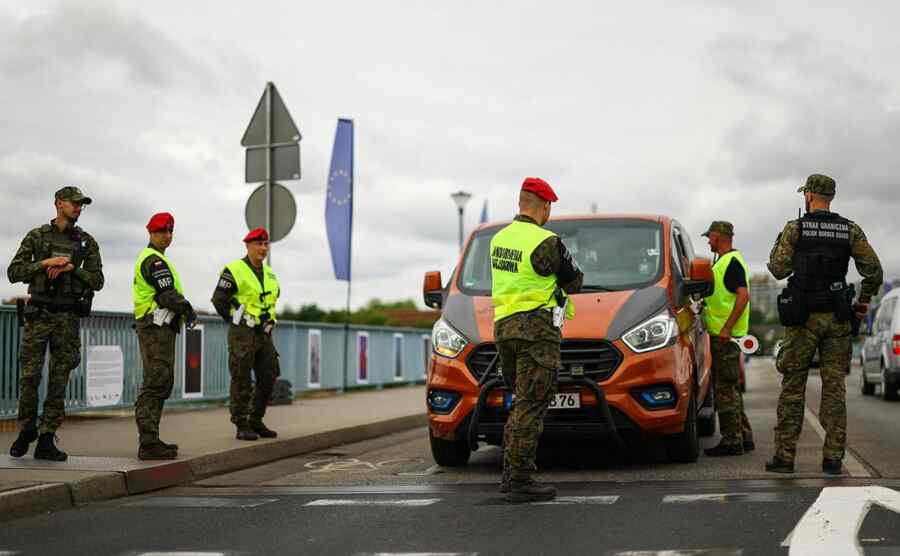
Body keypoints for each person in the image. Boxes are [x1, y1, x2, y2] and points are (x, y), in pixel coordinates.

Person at [766, 174, 882, 475]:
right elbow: (873, 271)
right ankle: (833, 459)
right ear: (831, 197)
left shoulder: (795, 228)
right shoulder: (849, 230)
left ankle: (785, 457)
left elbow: (778, 269)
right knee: (834, 389)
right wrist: (862, 302)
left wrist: (784, 242)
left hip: (802, 318)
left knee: (793, 386)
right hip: (837, 317)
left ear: (808, 196)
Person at [491, 177, 583, 503]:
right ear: (544, 206)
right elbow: (574, 280)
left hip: (504, 330)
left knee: (520, 403)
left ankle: (510, 476)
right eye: (549, 207)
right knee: (531, 407)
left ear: (520, 203)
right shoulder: (546, 241)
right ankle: (519, 480)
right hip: (537, 332)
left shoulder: (498, 240)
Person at [7, 186, 104, 461]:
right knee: (29, 376)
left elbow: (97, 280)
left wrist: (74, 269)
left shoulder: (86, 242)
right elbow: (14, 272)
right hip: (38, 314)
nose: (78, 208)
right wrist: (44, 263)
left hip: (67, 317)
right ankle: (27, 428)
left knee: (59, 379)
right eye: (74, 203)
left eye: (81, 204)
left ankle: (47, 437)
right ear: (59, 203)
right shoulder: (37, 236)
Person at [132, 212, 197, 460]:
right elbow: (166, 294)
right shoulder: (154, 261)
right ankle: (148, 442)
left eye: (170, 232)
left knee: (161, 381)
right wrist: (187, 310)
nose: (167, 236)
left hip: (160, 329)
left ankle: (152, 439)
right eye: (161, 232)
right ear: (150, 232)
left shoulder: (158, 258)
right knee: (155, 382)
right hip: (154, 328)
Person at [211, 227, 281, 441]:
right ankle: (241, 423)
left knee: (269, 374)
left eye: (265, 244)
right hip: (243, 332)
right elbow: (219, 300)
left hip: (264, 332)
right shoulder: (234, 270)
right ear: (248, 245)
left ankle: (255, 419)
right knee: (241, 377)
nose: (263, 248)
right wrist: (235, 319)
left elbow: (273, 297)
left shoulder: (269, 273)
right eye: (259, 244)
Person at [700, 221, 754, 457]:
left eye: (709, 237)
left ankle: (732, 441)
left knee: (724, 389)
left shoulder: (730, 262)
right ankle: (744, 436)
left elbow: (743, 295)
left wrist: (727, 327)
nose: (708, 242)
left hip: (725, 338)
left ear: (717, 236)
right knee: (731, 388)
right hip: (724, 336)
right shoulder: (724, 261)